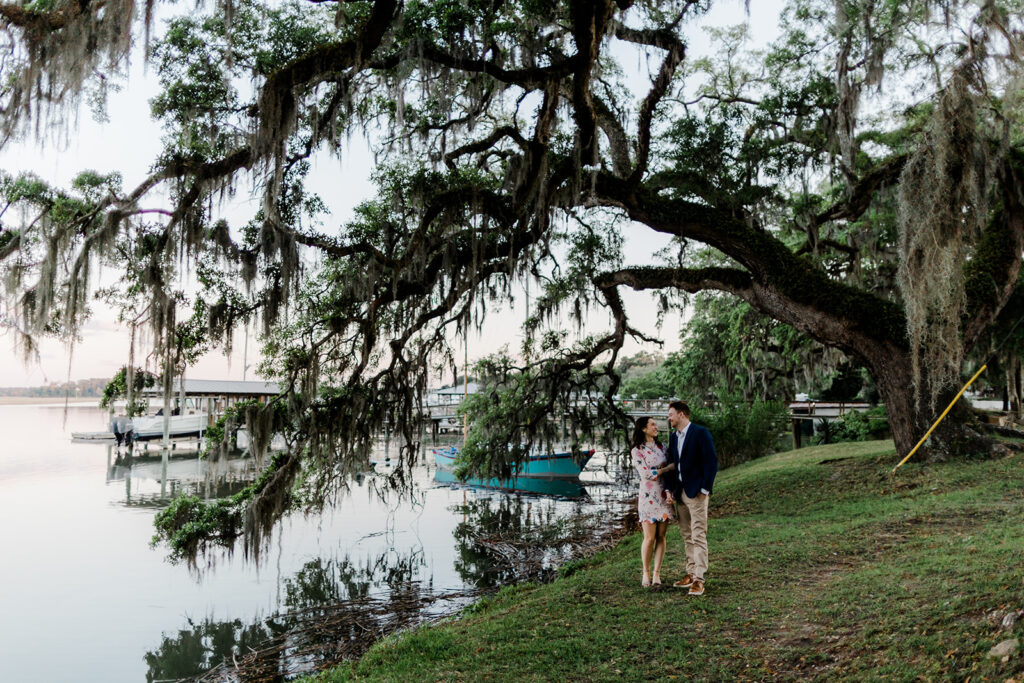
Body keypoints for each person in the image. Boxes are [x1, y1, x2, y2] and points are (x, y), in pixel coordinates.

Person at [661, 400, 718, 596]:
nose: (669, 418)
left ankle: (700, 579)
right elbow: (673, 465)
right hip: (680, 493)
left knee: (698, 535)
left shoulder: (700, 433)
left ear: (682, 414)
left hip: (697, 493)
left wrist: (705, 489)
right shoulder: (673, 437)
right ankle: (691, 573)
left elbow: (711, 462)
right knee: (687, 535)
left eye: (671, 414)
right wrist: (669, 489)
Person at [630, 416, 674, 587]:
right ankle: (646, 573)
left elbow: (668, 472)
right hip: (648, 497)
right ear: (643, 429)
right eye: (653, 424)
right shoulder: (637, 450)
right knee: (649, 537)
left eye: (656, 424)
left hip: (664, 495)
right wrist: (666, 469)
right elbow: (646, 474)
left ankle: (657, 574)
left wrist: (668, 487)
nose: (656, 427)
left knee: (661, 536)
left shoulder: (663, 447)